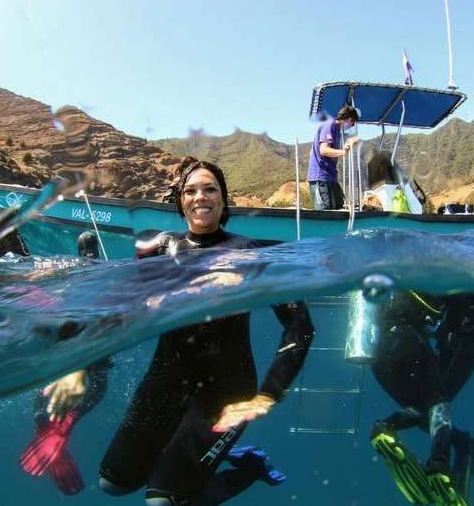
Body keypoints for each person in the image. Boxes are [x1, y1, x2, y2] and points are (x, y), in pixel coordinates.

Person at [47, 161, 315, 505]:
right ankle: (188, 464)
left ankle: (248, 469)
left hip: (226, 395)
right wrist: (79, 366)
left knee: (163, 503)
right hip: (163, 383)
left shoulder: (251, 253)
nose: (199, 197)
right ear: (180, 201)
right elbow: (114, 308)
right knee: (112, 485)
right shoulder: (159, 250)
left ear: (223, 200)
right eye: (190, 191)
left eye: (210, 189)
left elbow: (301, 324)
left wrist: (268, 395)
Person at [368, 291, 474, 506]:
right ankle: (440, 463)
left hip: (381, 354)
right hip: (436, 345)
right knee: (438, 406)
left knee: (427, 409)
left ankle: (387, 428)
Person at [19, 231, 112, 496]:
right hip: (91, 371)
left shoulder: (71, 282)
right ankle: (59, 424)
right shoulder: (100, 281)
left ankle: (49, 425)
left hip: (64, 362)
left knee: (45, 396)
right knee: (87, 378)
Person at [307, 104, 360, 210]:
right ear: (349, 119)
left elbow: (311, 152)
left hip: (330, 176)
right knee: (324, 211)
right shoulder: (329, 125)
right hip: (321, 177)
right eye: (353, 124)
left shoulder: (337, 131)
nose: (352, 126)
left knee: (338, 206)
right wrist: (343, 152)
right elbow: (323, 149)